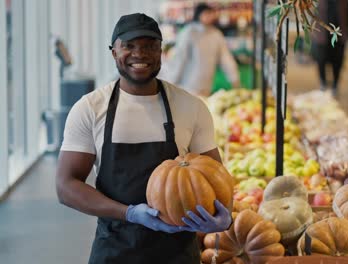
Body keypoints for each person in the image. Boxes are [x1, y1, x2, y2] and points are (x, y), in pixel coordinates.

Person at [55, 13, 232, 264]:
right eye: (129, 45)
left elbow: (215, 177)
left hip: (178, 254)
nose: (140, 54)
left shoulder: (191, 107)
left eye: (150, 46)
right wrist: (129, 213)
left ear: (162, 51)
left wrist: (224, 214)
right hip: (115, 251)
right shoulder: (90, 109)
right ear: (114, 52)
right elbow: (66, 186)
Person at [161, 3, 240, 97]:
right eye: (206, 14)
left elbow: (226, 58)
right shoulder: (188, 33)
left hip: (206, 85)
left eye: (210, 14)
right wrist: (172, 81)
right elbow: (180, 58)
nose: (209, 17)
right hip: (187, 85)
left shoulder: (216, 34)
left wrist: (234, 79)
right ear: (198, 14)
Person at [310, 0, 348, 95]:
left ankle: (335, 85)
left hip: (339, 36)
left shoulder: (343, 2)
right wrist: (313, 32)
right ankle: (323, 83)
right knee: (321, 60)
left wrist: (346, 34)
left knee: (338, 61)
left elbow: (347, 16)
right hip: (322, 36)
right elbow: (314, 14)